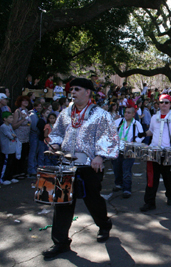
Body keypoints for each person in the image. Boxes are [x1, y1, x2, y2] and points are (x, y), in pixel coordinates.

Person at [42, 78, 118, 259]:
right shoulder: (65, 113)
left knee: (93, 200)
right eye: (71, 89)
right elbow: (58, 133)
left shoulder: (101, 114)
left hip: (90, 165)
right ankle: (60, 242)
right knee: (62, 204)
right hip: (67, 165)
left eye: (77, 89)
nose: (73, 92)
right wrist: (53, 145)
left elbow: (110, 137)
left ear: (88, 92)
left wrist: (100, 156)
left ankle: (104, 225)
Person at [138, 94, 171, 212]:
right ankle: (150, 202)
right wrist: (144, 134)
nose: (164, 104)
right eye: (161, 102)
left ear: (170, 104)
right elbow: (151, 131)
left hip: (169, 153)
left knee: (168, 178)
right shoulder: (154, 117)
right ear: (159, 103)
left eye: (166, 102)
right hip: (154, 152)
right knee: (151, 178)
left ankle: (170, 195)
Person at [112, 106, 144, 198]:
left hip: (130, 149)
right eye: (125, 112)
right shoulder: (119, 122)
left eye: (129, 112)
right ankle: (118, 184)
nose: (126, 114)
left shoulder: (136, 124)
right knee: (116, 168)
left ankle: (127, 189)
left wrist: (135, 141)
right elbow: (110, 130)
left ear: (133, 114)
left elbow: (141, 136)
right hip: (118, 149)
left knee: (126, 169)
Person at [12, 96, 31, 178]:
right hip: (19, 137)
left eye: (27, 101)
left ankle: (22, 172)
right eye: (24, 101)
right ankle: (16, 173)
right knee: (18, 155)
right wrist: (22, 120)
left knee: (24, 155)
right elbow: (14, 125)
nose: (26, 102)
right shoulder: (18, 111)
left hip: (26, 137)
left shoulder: (27, 111)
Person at [0, 112, 19, 185]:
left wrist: (13, 135)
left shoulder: (10, 126)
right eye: (10, 118)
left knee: (11, 163)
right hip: (6, 149)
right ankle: (3, 178)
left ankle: (10, 177)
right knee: (5, 163)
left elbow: (14, 135)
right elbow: (10, 136)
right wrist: (13, 135)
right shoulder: (3, 127)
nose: (12, 119)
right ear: (5, 119)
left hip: (12, 148)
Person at [27, 101, 43, 178]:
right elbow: (33, 127)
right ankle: (31, 169)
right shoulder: (33, 115)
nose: (39, 108)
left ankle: (34, 167)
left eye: (40, 106)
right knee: (32, 153)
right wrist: (39, 132)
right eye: (38, 106)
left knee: (35, 152)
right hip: (34, 135)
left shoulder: (38, 114)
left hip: (37, 136)